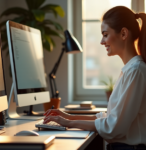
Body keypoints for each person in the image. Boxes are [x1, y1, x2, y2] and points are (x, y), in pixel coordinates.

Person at [44, 6, 146, 150]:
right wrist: (68, 117)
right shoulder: (130, 69)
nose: (101, 41)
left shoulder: (136, 71)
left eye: (105, 34)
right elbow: (111, 117)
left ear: (123, 33)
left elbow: (113, 126)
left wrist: (68, 123)